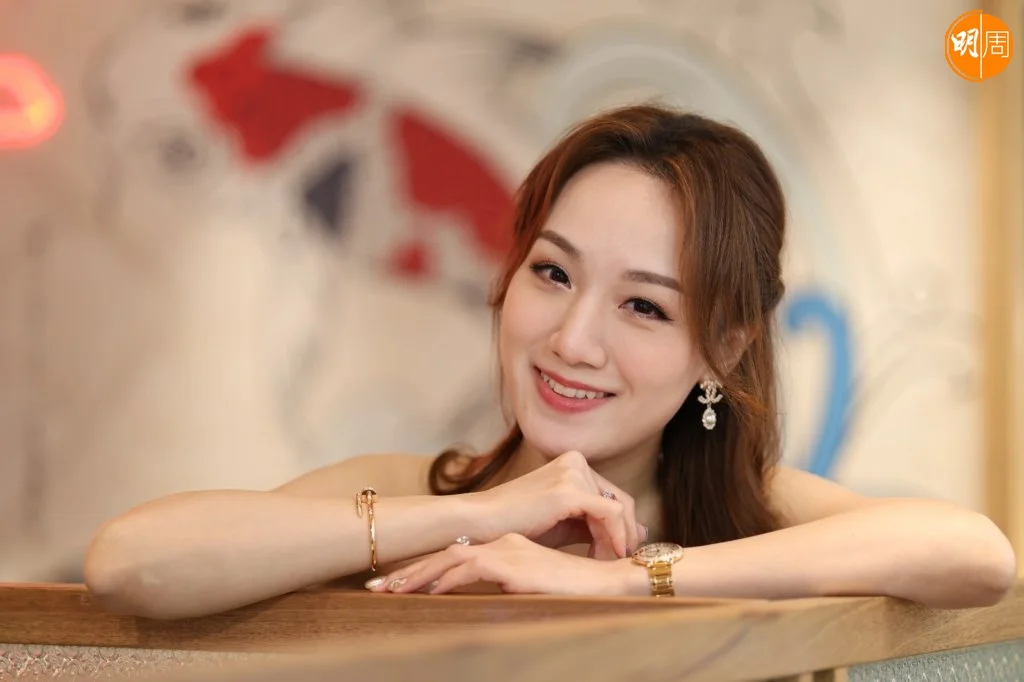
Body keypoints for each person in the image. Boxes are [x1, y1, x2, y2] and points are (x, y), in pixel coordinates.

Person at [83, 104, 1017, 620]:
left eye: (644, 305)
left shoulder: (757, 517)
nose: (572, 339)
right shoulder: (413, 493)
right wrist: (483, 516)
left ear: (725, 347)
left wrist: (621, 578)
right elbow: (132, 564)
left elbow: (975, 555)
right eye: (553, 272)